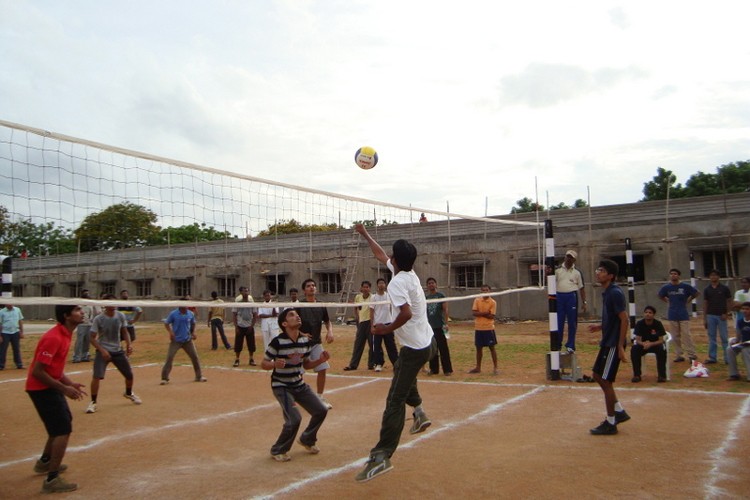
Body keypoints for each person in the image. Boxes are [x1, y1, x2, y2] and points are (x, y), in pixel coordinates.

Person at [353, 223, 436, 483]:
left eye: (391, 255)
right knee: (401, 370)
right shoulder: (409, 274)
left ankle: (382, 456)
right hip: (426, 343)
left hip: (416, 349)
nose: (387, 257)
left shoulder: (397, 284)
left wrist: (384, 329)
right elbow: (380, 256)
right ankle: (420, 413)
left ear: (397, 260)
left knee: (394, 400)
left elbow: (406, 313)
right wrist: (365, 235)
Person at [26, 305, 87, 493]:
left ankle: (45, 462)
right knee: (62, 429)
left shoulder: (66, 334)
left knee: (60, 425)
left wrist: (70, 383)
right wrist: (64, 389)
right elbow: (38, 371)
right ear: (66, 316)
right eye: (77, 310)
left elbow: (55, 369)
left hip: (49, 386)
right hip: (41, 389)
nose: (82, 312)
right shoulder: (54, 337)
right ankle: (52, 480)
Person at [261, 308, 330, 462]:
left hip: (299, 385)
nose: (297, 316)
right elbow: (263, 363)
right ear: (284, 323)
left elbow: (306, 365)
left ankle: (307, 439)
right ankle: (278, 449)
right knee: (294, 419)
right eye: (292, 315)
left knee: (321, 410)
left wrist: (320, 360)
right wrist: (274, 364)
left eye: (297, 314)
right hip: (282, 386)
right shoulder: (277, 342)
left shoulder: (305, 341)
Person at [588, 259, 630, 435]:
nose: (598, 273)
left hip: (613, 343)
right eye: (598, 270)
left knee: (606, 380)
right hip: (608, 341)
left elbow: (624, 319)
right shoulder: (607, 293)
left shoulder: (615, 293)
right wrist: (600, 326)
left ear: (611, 276)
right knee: (597, 375)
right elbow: (612, 318)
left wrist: (620, 346)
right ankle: (619, 411)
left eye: (602, 271)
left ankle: (611, 422)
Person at [86, 295, 141, 414]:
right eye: (109, 303)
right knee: (97, 376)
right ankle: (93, 402)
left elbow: (125, 332)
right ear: (104, 305)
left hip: (117, 350)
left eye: (114, 302)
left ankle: (128, 393)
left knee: (129, 375)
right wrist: (102, 350)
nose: (112, 305)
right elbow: (91, 338)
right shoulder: (98, 319)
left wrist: (128, 344)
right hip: (103, 351)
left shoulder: (120, 316)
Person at [296, 279, 335, 409]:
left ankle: (319, 397)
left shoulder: (320, 305)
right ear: (304, 290)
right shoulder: (299, 305)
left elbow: (328, 321)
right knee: (299, 372)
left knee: (323, 368)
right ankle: (298, 398)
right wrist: (301, 334)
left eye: (313, 285)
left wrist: (330, 332)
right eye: (308, 286)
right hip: (301, 343)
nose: (312, 288)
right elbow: (291, 324)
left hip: (316, 343)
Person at [658, 268, 700, 363]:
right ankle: (679, 354)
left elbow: (696, 293)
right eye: (671, 274)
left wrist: (688, 300)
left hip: (683, 313)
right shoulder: (666, 287)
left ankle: (691, 354)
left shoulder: (685, 286)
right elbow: (660, 295)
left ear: (679, 275)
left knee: (686, 335)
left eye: (675, 274)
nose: (673, 275)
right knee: (675, 336)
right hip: (672, 314)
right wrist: (667, 301)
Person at [161, 299, 207, 384]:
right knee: (169, 357)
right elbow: (166, 323)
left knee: (195, 357)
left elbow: (193, 323)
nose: (186, 306)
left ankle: (199, 376)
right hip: (176, 340)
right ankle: (164, 378)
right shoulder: (173, 314)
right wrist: (171, 333)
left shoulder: (190, 314)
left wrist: (193, 333)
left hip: (187, 340)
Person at [554, 250, 587, 352]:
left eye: (571, 257)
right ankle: (557, 343)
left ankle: (570, 345)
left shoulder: (577, 272)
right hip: (559, 296)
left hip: (571, 297)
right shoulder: (557, 270)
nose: (568, 258)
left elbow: (581, 288)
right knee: (559, 321)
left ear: (574, 259)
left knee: (572, 322)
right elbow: (551, 283)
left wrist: (584, 302)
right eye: (567, 256)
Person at [630, 305, 667, 383]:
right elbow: (638, 339)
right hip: (643, 345)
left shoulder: (658, 324)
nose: (648, 314)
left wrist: (651, 344)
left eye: (650, 313)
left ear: (653, 314)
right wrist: (643, 344)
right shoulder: (640, 323)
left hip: (655, 345)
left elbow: (661, 340)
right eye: (646, 312)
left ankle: (662, 376)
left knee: (662, 349)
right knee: (634, 349)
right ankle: (637, 375)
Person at [703, 269, 733, 364]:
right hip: (710, 315)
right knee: (712, 337)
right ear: (709, 277)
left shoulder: (724, 288)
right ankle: (712, 357)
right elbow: (705, 303)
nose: (713, 277)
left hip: (721, 316)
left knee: (724, 338)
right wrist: (705, 318)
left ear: (719, 277)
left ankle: (727, 358)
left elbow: (729, 301)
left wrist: (727, 313)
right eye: (711, 275)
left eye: (715, 275)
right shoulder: (707, 289)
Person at [344, 281, 374, 371]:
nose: (365, 289)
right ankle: (353, 365)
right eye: (364, 287)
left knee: (372, 344)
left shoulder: (373, 298)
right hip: (361, 322)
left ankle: (371, 364)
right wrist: (357, 318)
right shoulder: (358, 297)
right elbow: (356, 307)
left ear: (370, 288)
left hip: (370, 322)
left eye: (367, 287)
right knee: (358, 344)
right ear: (361, 288)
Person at [468, 285, 498, 375]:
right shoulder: (477, 300)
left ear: (490, 291)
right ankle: (478, 367)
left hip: (489, 328)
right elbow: (474, 313)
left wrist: (480, 313)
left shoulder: (493, 302)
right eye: (483, 290)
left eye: (486, 290)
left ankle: (495, 367)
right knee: (478, 348)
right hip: (479, 328)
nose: (485, 292)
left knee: (492, 348)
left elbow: (491, 316)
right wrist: (485, 313)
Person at [370, 278, 398, 372]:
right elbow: (372, 311)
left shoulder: (389, 296)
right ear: (377, 285)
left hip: (388, 324)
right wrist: (372, 326)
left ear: (385, 285)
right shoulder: (373, 297)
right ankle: (378, 363)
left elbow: (392, 309)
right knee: (377, 346)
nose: (381, 285)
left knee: (391, 345)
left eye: (383, 283)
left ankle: (396, 363)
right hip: (377, 324)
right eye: (379, 283)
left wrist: (393, 322)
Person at [425, 277, 452, 376]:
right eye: (429, 283)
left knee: (443, 348)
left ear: (436, 284)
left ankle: (447, 370)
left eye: (432, 283)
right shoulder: (426, 298)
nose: (431, 285)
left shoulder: (441, 295)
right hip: (430, 328)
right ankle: (434, 369)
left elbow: (445, 310)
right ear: (427, 286)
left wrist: (446, 324)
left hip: (440, 326)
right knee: (432, 349)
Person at [232, 286, 257, 367]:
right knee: (238, 344)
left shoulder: (251, 302)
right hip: (240, 326)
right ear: (241, 293)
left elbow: (255, 314)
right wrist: (236, 327)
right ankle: (237, 359)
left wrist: (252, 326)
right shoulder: (237, 302)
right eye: (244, 291)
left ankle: (251, 358)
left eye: (247, 291)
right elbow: (234, 315)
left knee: (251, 344)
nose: (246, 293)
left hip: (249, 326)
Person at [726, 302, 750, 381]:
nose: (745, 311)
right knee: (729, 350)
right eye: (743, 309)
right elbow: (738, 336)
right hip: (744, 343)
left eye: (747, 309)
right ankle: (734, 374)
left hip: (748, 345)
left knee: (745, 351)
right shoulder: (740, 321)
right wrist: (735, 341)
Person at [72, 290, 98, 363]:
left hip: (89, 324)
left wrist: (91, 321)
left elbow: (92, 315)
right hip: (81, 325)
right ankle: (76, 357)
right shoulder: (79, 306)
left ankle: (84, 356)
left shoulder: (90, 306)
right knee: (80, 341)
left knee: (87, 341)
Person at [0, 304, 24, 370]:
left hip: (15, 332)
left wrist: (21, 332)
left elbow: (20, 321)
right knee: (3, 349)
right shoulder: (1, 312)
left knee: (16, 349)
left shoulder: (17, 310)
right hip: (5, 333)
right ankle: (1, 365)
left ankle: (19, 364)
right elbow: (0, 324)